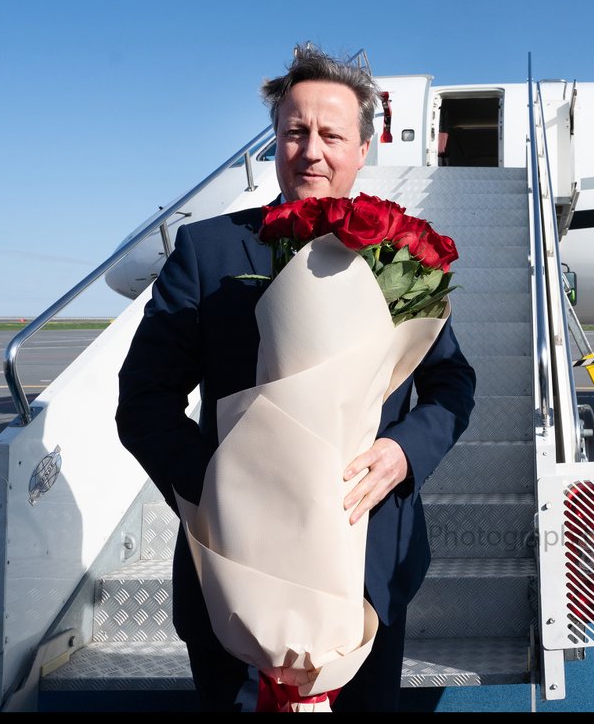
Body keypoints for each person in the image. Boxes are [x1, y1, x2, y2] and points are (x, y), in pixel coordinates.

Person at [116, 43, 477, 712]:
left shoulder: (405, 257)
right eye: (295, 131)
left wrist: (405, 452)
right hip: (233, 571)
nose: (312, 150)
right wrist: (223, 492)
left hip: (369, 566)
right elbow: (143, 402)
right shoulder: (209, 251)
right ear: (275, 143)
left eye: (332, 134)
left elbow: (453, 387)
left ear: (363, 148)